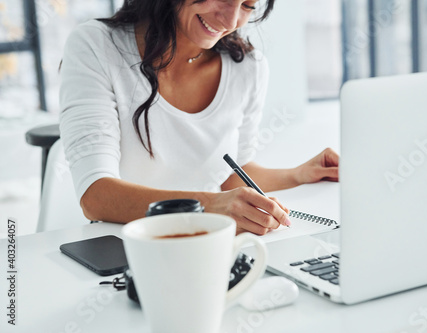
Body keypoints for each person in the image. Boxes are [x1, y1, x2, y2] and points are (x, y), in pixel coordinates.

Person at [59, 0, 339, 235]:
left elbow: (231, 175)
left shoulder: (248, 68)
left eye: (247, 5)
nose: (230, 19)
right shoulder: (96, 46)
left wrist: (299, 174)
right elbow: (95, 196)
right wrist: (207, 207)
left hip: (208, 244)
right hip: (126, 247)